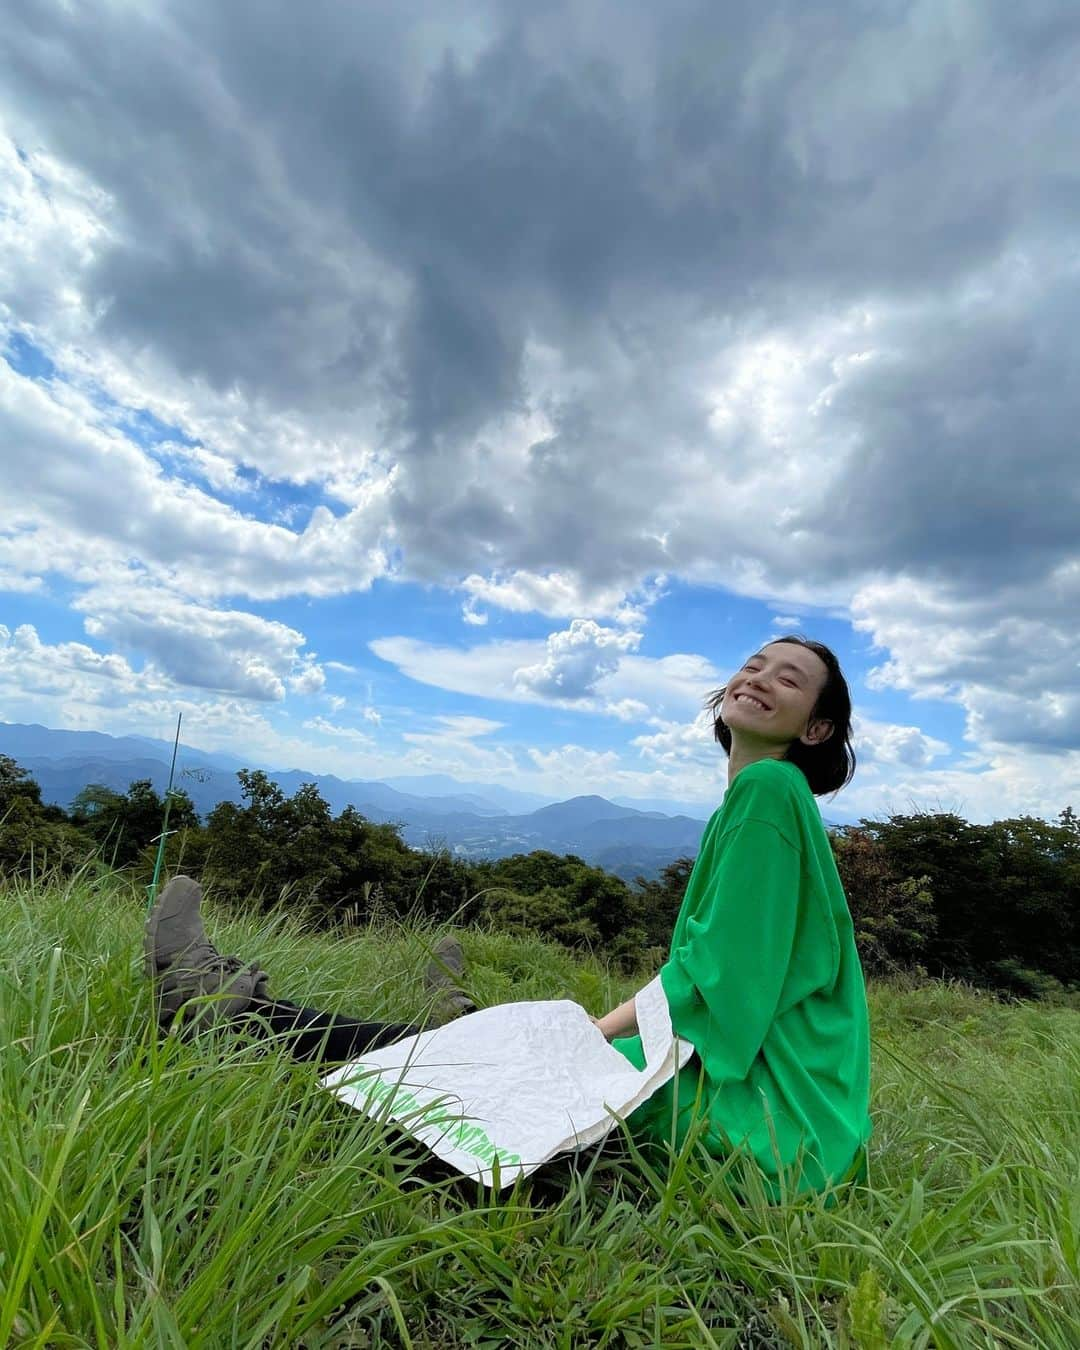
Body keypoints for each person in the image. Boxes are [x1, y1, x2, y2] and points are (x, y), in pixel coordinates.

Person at [145, 634, 870, 1200]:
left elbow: (726, 976)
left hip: (766, 1126)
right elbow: (721, 970)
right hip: (792, 1126)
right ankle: (430, 1011)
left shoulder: (770, 791)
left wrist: (599, 1029)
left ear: (815, 729)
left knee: (532, 1058)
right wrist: (599, 1030)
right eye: (754, 664)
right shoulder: (761, 800)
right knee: (532, 1046)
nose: (758, 679)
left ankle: (229, 1012)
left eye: (788, 679)